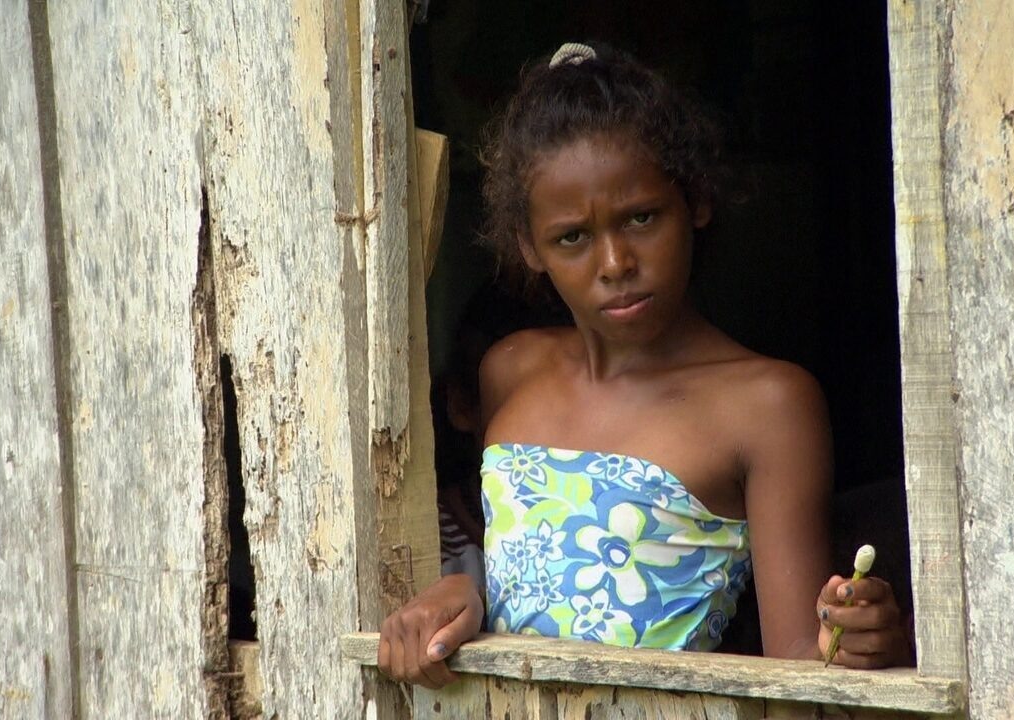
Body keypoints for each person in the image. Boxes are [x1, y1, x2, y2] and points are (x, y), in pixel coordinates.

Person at [379, 42, 911, 689]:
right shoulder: (510, 371)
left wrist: (856, 642)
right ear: (530, 246)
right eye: (572, 236)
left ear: (695, 202)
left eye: (641, 218)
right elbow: (539, 582)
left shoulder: (768, 402)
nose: (614, 263)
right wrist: (462, 598)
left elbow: (797, 662)